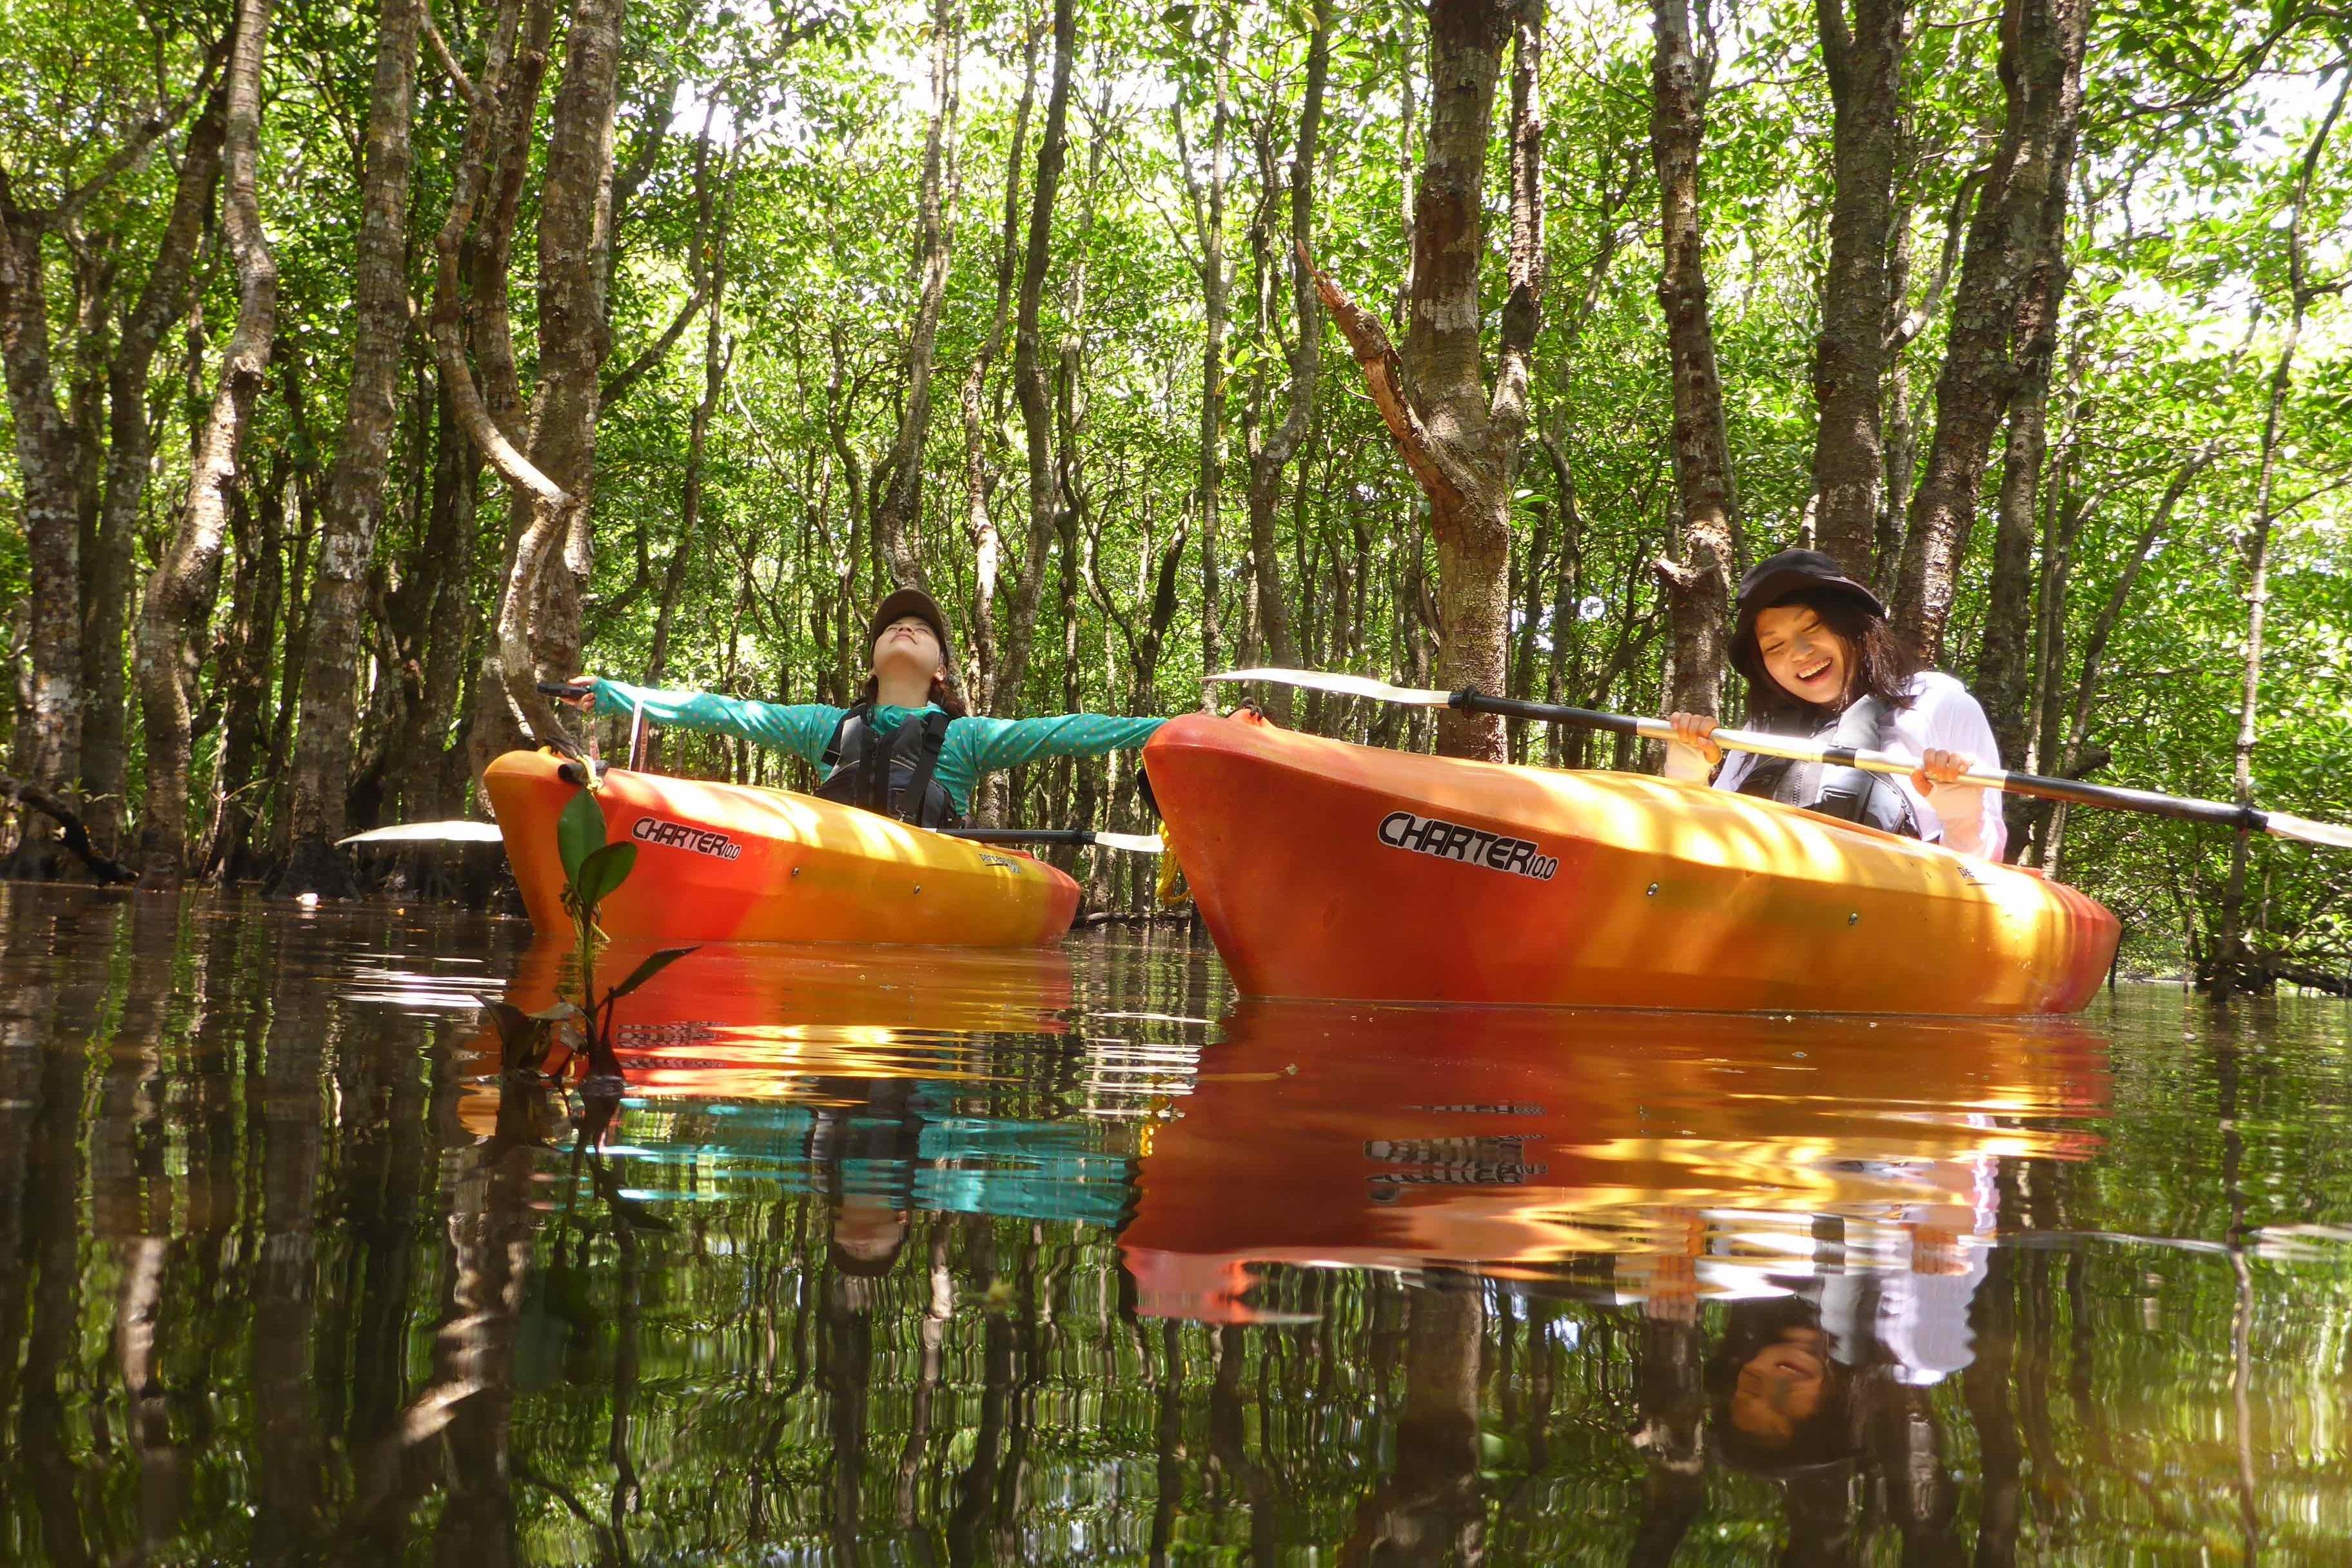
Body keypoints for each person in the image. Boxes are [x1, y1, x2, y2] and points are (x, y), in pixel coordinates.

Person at [564, 586, 1162, 829]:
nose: (905, 629)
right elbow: (725, 711)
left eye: (919, 629)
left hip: (931, 872)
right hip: (830, 860)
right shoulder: (825, 726)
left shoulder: (971, 737)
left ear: (941, 672)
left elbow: (1072, 731)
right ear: (872, 662)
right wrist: (620, 694)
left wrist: (1167, 727)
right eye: (893, 627)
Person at [1660, 548, 2006, 859]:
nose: (1799, 653)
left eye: (1813, 626)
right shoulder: (1760, 733)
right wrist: (1686, 783)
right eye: (1775, 647)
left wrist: (1963, 819)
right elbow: (1704, 847)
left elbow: (1979, 868)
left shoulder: (1936, 700)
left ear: (1855, 626)